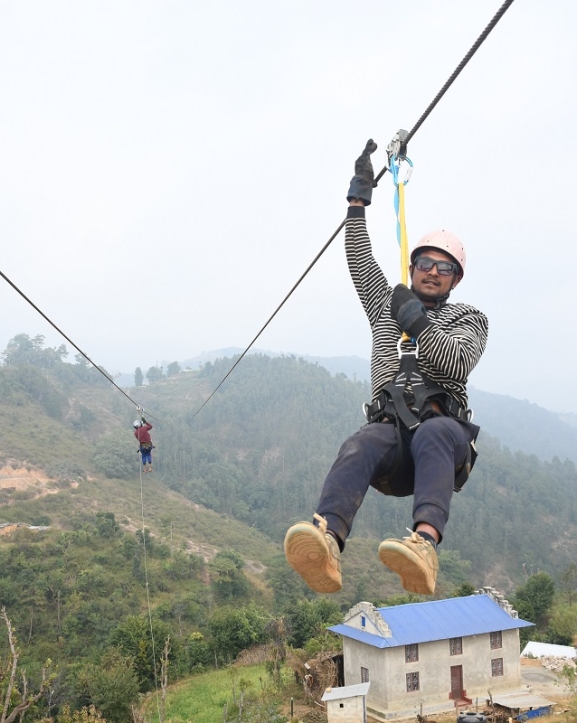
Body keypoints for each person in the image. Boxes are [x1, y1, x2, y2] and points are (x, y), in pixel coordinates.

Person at [284, 139, 488, 596]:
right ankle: (328, 541)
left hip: (441, 439)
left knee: (434, 432)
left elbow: (456, 360)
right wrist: (357, 201)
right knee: (361, 442)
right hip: (392, 442)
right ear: (412, 266)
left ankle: (424, 545)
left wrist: (414, 321)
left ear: (455, 279)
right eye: (425, 263)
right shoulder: (385, 307)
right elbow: (359, 261)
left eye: (444, 267)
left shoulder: (470, 319)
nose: (432, 271)